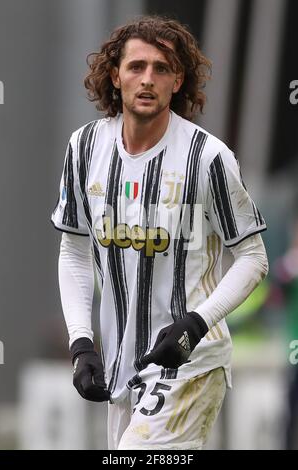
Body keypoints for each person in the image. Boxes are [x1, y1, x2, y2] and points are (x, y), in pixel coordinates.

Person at [51, 15, 269, 450]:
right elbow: (74, 249)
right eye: (136, 67)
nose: (147, 79)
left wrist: (196, 323)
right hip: (122, 366)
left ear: (177, 81)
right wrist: (81, 343)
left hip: (192, 363)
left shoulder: (208, 158)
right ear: (115, 76)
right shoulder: (84, 148)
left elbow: (253, 257)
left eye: (162, 68)